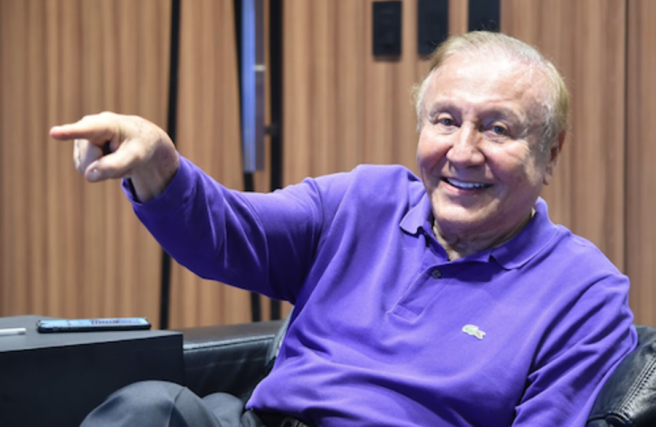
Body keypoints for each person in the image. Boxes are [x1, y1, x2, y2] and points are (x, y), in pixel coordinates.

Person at [51, 31, 637, 426]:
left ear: (550, 151)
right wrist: (161, 167)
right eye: (445, 120)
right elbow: (228, 233)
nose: (463, 151)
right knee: (151, 409)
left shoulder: (584, 293)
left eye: (498, 129)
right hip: (264, 420)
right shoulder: (362, 200)